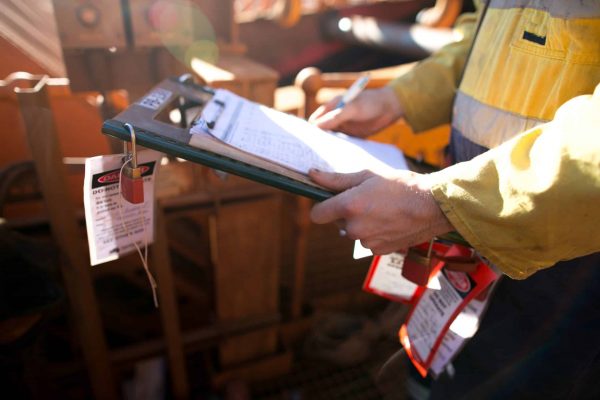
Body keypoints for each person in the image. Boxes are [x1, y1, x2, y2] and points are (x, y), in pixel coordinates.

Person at [308, 1, 600, 398]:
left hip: (567, 259)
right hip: (474, 219)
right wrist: (398, 99)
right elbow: (486, 36)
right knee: (443, 367)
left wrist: (442, 203)